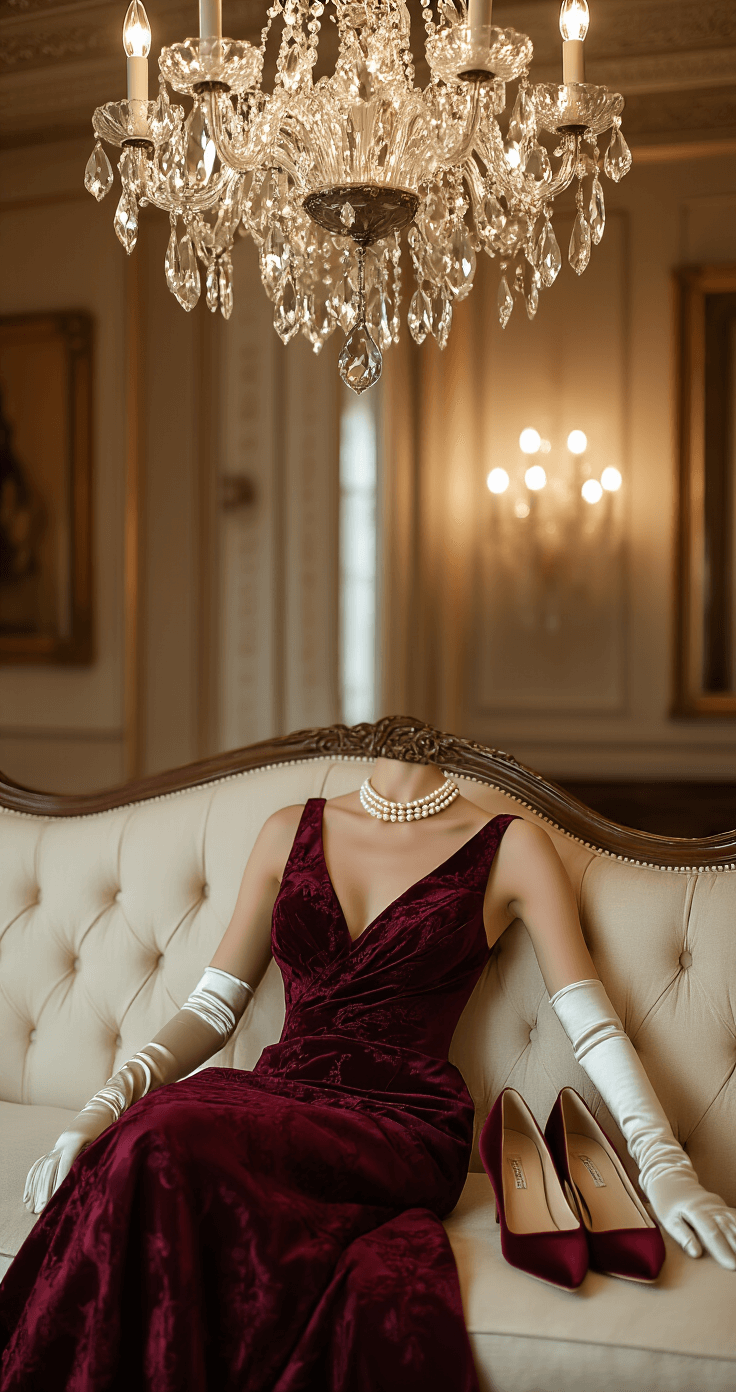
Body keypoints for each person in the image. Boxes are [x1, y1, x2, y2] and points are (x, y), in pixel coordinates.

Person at [1, 759, 734, 1391]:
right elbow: (212, 1007)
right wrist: (102, 1104)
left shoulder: (511, 846)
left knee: (161, 1138)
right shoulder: (289, 827)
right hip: (279, 1088)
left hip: (402, 1118)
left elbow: (592, 1023)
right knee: (147, 1137)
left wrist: (664, 1163)